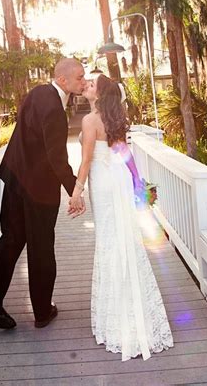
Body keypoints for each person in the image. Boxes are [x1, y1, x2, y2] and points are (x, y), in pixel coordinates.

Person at [69, 74, 174, 360]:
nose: (87, 85)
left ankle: (117, 317)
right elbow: (124, 152)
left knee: (109, 241)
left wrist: (76, 191)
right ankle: (128, 307)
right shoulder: (113, 117)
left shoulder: (91, 121)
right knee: (123, 239)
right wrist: (137, 182)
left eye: (91, 84)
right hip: (119, 180)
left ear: (100, 94)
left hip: (103, 183)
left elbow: (87, 159)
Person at [0, 57, 86, 330]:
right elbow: (56, 156)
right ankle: (42, 311)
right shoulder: (55, 110)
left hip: (15, 180)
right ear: (63, 79)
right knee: (41, 250)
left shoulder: (36, 93)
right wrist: (74, 189)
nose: (83, 82)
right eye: (79, 77)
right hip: (38, 191)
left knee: (11, 240)